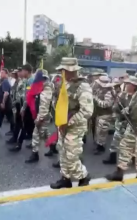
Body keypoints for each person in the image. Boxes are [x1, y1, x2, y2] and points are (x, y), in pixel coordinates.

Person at [50, 57, 93, 189]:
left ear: (72, 71)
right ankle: (65, 178)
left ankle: (83, 175)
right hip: (62, 124)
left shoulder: (83, 86)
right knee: (62, 152)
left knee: (71, 154)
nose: (62, 72)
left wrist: (68, 122)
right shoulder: (64, 84)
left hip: (75, 126)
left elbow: (87, 111)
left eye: (64, 70)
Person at [103, 76, 137, 165]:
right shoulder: (122, 95)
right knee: (115, 140)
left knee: (132, 143)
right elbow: (115, 108)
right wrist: (118, 108)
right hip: (121, 122)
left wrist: (129, 111)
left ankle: (134, 159)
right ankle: (112, 157)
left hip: (132, 124)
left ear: (134, 86)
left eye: (129, 84)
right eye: (126, 84)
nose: (126, 86)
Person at [25, 69, 53, 163]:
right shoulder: (43, 87)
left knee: (36, 134)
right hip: (43, 115)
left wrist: (39, 118)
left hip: (43, 116)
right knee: (45, 134)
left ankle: (35, 154)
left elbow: (44, 105)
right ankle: (53, 147)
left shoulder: (46, 88)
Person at [92, 75, 115, 155]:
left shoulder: (109, 92)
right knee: (99, 131)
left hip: (106, 114)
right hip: (100, 113)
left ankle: (101, 147)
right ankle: (99, 145)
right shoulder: (100, 90)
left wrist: (96, 99)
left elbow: (106, 104)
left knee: (102, 132)